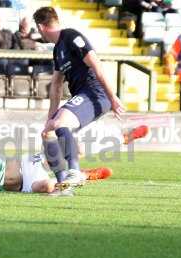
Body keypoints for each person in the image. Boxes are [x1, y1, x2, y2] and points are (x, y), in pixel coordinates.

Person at [33, 7, 127, 196]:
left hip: (95, 93)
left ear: (41, 26)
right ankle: (63, 187)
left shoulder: (71, 37)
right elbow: (57, 85)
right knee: (49, 132)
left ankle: (74, 171)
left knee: (60, 123)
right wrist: (50, 116)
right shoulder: (58, 49)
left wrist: (112, 97)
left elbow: (97, 65)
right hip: (84, 95)